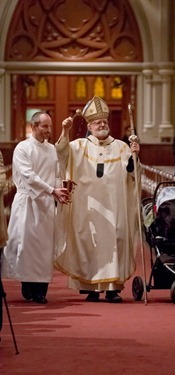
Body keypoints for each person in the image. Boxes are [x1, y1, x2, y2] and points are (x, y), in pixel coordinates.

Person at [54, 96, 140, 303]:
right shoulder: (79, 146)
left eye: (104, 122)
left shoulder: (121, 146)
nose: (101, 124)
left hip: (115, 204)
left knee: (117, 239)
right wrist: (65, 130)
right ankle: (91, 288)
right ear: (90, 127)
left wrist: (135, 156)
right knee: (89, 241)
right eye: (96, 122)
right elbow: (61, 153)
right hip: (88, 205)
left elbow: (131, 173)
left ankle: (112, 289)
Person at [1, 111, 70, 304]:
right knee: (26, 245)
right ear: (34, 127)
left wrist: (60, 190)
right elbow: (28, 175)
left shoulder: (51, 149)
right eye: (44, 126)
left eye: (50, 126)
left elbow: (56, 173)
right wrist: (51, 190)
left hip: (47, 203)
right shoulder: (23, 148)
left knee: (44, 248)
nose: (49, 130)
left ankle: (41, 290)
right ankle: (27, 286)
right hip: (27, 203)